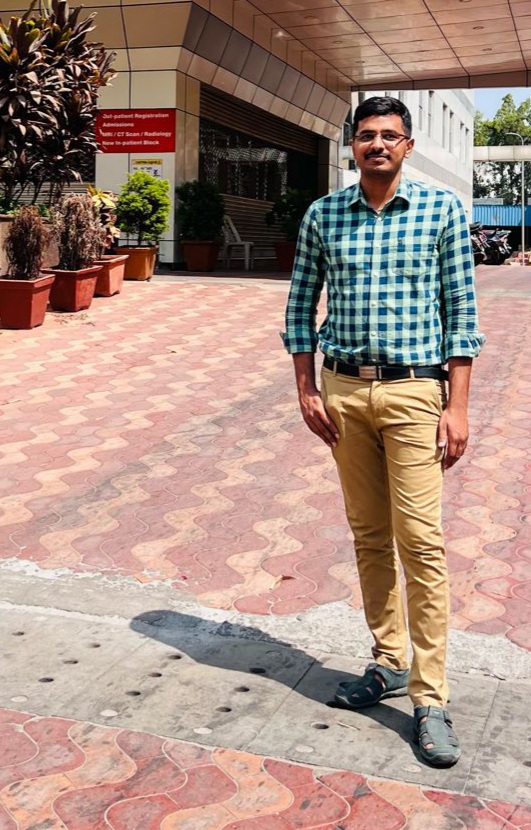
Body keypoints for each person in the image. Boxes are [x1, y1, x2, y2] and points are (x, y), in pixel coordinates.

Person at [283, 96, 485, 768]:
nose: (376, 144)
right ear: (351, 144)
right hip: (343, 393)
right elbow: (299, 307)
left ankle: (429, 697)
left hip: (414, 393)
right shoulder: (323, 215)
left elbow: (461, 313)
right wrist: (306, 388)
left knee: (420, 542)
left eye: (389, 135)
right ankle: (388, 660)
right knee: (368, 534)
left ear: (408, 144)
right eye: (366, 135)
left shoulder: (441, 210)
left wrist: (457, 408)